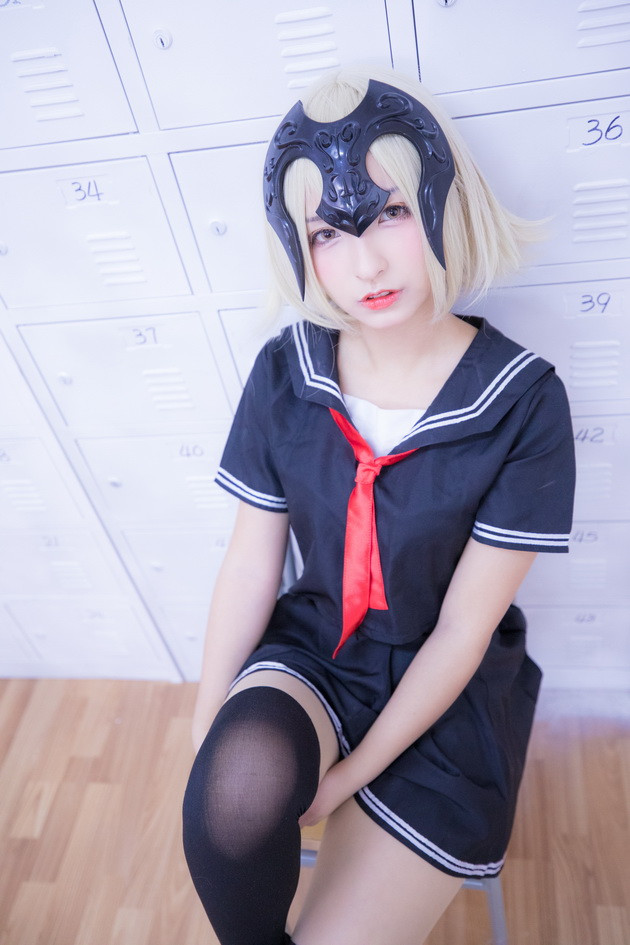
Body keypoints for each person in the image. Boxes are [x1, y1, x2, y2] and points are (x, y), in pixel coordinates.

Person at [182, 66, 576, 945]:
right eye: (327, 232)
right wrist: (207, 738)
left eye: (391, 212)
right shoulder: (287, 372)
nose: (365, 265)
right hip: (319, 646)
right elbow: (250, 564)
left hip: (450, 691)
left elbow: (462, 631)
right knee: (230, 799)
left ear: (442, 202)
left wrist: (346, 776)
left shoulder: (523, 403)